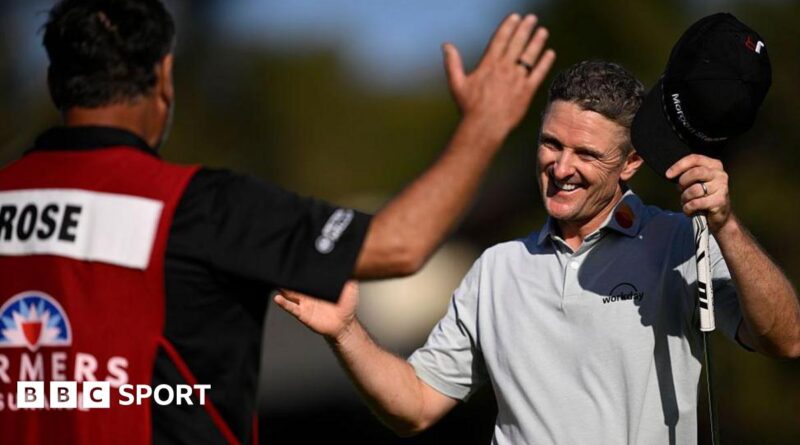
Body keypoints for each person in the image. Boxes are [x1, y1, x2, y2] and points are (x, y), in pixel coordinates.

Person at [0, 1, 555, 444]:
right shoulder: (199, 205)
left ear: (54, 84)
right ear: (164, 75)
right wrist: (484, 124)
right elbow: (399, 246)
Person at [277, 60, 800, 444]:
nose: (561, 166)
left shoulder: (679, 242)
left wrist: (725, 225)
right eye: (552, 143)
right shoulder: (496, 270)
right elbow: (414, 406)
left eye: (587, 153)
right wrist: (345, 331)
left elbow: (786, 337)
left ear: (632, 162)